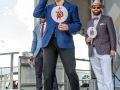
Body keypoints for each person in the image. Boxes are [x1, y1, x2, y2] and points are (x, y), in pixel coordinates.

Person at [33, 0, 82, 90]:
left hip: (65, 42)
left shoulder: (72, 7)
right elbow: (36, 13)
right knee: (48, 74)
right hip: (49, 42)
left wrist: (69, 27)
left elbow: (78, 25)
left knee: (71, 71)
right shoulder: (48, 8)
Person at [85, 0, 116, 90]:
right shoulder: (89, 22)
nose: (96, 9)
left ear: (101, 8)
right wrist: (87, 39)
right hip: (92, 51)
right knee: (99, 77)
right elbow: (87, 36)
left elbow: (112, 34)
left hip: (105, 50)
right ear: (92, 9)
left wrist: (113, 49)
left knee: (107, 75)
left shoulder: (107, 19)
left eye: (98, 7)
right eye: (94, 7)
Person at [29, 18, 58, 90]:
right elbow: (34, 41)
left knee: (51, 73)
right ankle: (38, 88)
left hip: (48, 51)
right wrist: (31, 54)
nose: (41, 17)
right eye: (40, 16)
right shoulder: (36, 28)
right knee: (38, 74)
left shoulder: (51, 26)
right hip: (38, 52)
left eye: (43, 15)